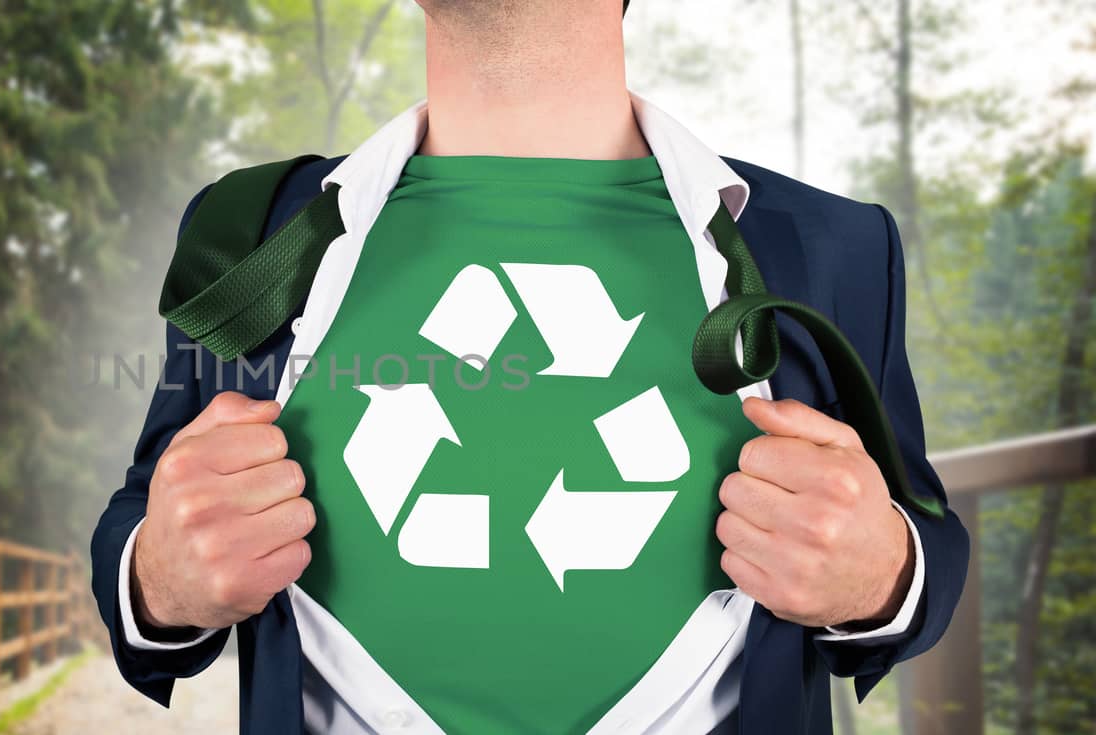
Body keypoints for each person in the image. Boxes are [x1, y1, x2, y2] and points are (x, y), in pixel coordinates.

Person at [90, 1, 970, 732]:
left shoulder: (831, 245)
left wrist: (885, 570)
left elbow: (925, 533)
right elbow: (147, 512)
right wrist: (160, 576)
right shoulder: (250, 228)